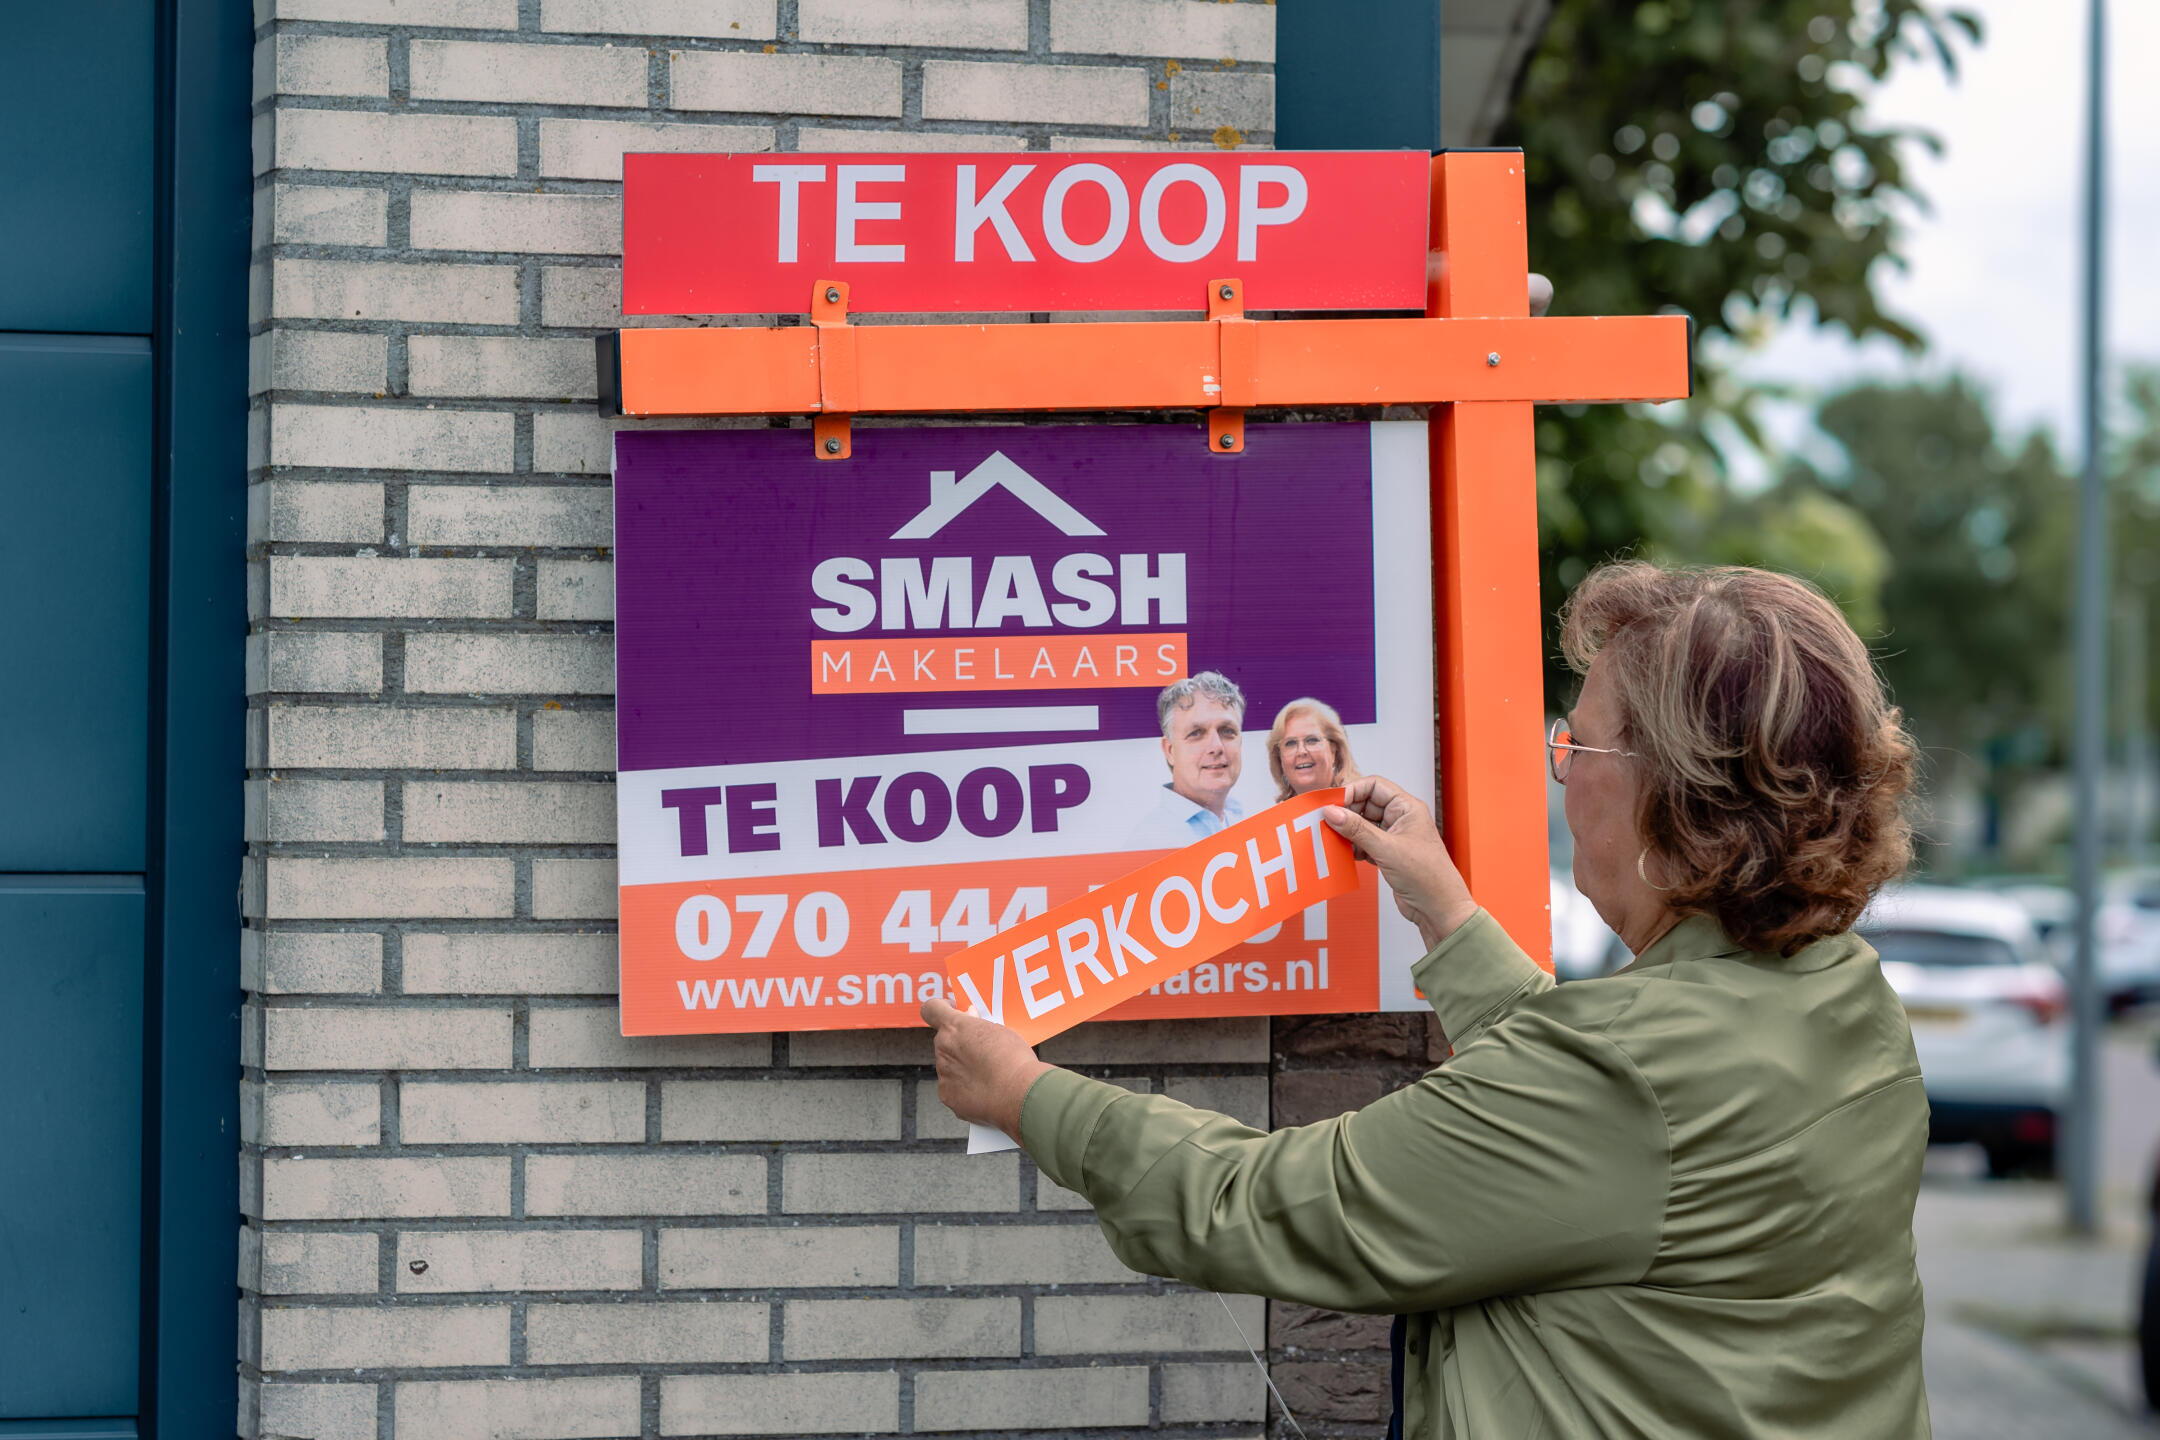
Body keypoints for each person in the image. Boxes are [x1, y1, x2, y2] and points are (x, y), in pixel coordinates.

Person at [924, 562, 1929, 1438]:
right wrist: (1447, 915)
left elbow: (1263, 1204)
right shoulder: (1845, 998)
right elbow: (1592, 1123)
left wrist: (1023, 1095)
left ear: (1677, 792)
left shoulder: (1624, 1080)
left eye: (1577, 748)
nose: (1562, 778)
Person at [1129, 671, 1248, 847]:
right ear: (1170, 751)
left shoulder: (1246, 822)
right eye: (1196, 733)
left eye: (1227, 731)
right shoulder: (1150, 843)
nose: (1216, 746)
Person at [1267, 696, 1360, 800]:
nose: (1301, 751)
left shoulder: (1362, 804)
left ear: (1334, 750)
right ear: (1280, 758)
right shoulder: (1278, 811)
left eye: (1312, 740)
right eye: (1290, 743)